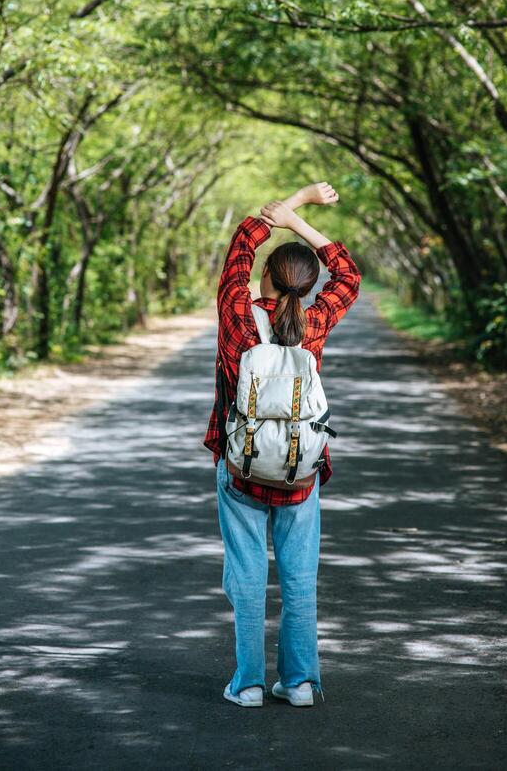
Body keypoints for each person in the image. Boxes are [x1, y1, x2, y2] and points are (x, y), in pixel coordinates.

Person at [203, 182, 361, 707]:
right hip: (300, 472)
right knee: (300, 581)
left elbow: (242, 243)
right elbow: (349, 276)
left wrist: (291, 202)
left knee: (245, 579)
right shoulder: (314, 321)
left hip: (242, 470)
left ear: (264, 277)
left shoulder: (238, 314)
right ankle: (298, 683)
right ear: (308, 284)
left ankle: (247, 684)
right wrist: (302, 222)